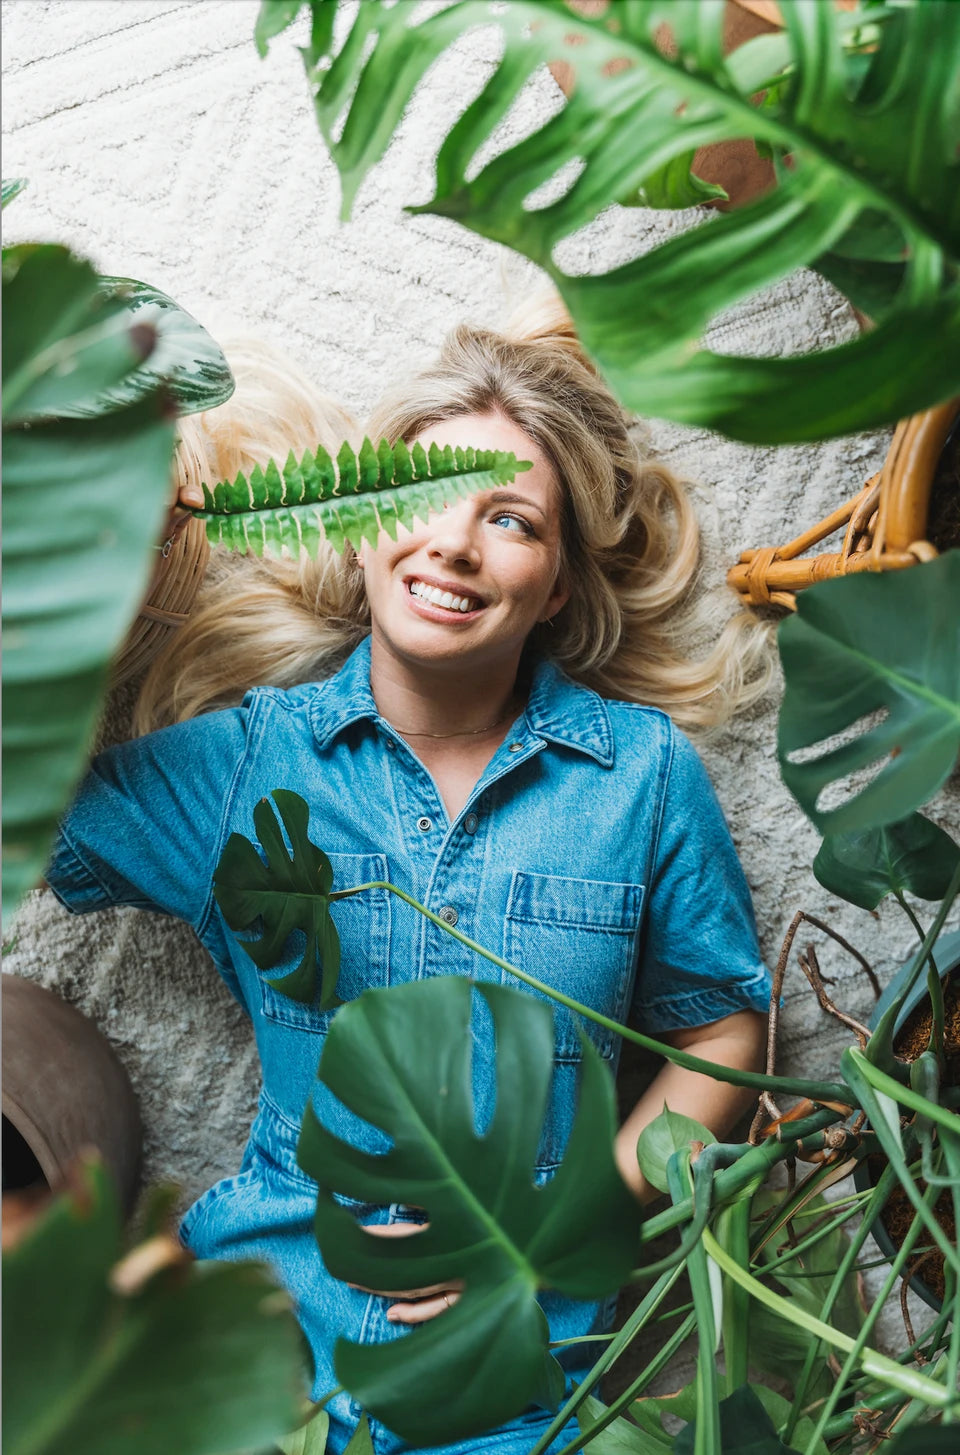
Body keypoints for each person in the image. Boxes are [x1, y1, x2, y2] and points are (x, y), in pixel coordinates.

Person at [47, 299, 773, 1454]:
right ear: (367, 522)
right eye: (425, 495)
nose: (454, 543)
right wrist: (105, 544)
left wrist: (554, 1224)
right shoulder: (245, 764)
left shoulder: (639, 780)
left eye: (512, 519)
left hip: (513, 1380)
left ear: (559, 588)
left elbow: (723, 1030)